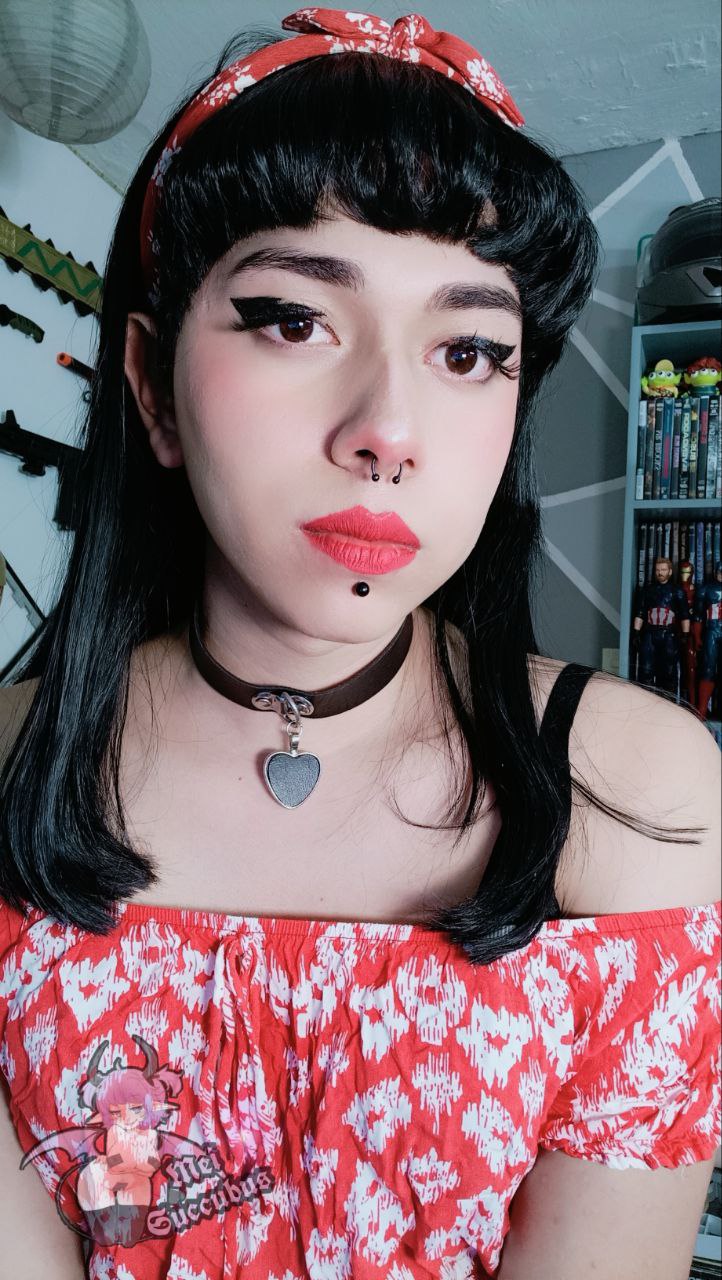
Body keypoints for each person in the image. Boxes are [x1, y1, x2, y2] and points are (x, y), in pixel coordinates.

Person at [0, 9, 719, 1279]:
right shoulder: (11, 762)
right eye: (292, 318)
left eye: (468, 349)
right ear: (153, 384)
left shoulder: (635, 790)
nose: (388, 428)